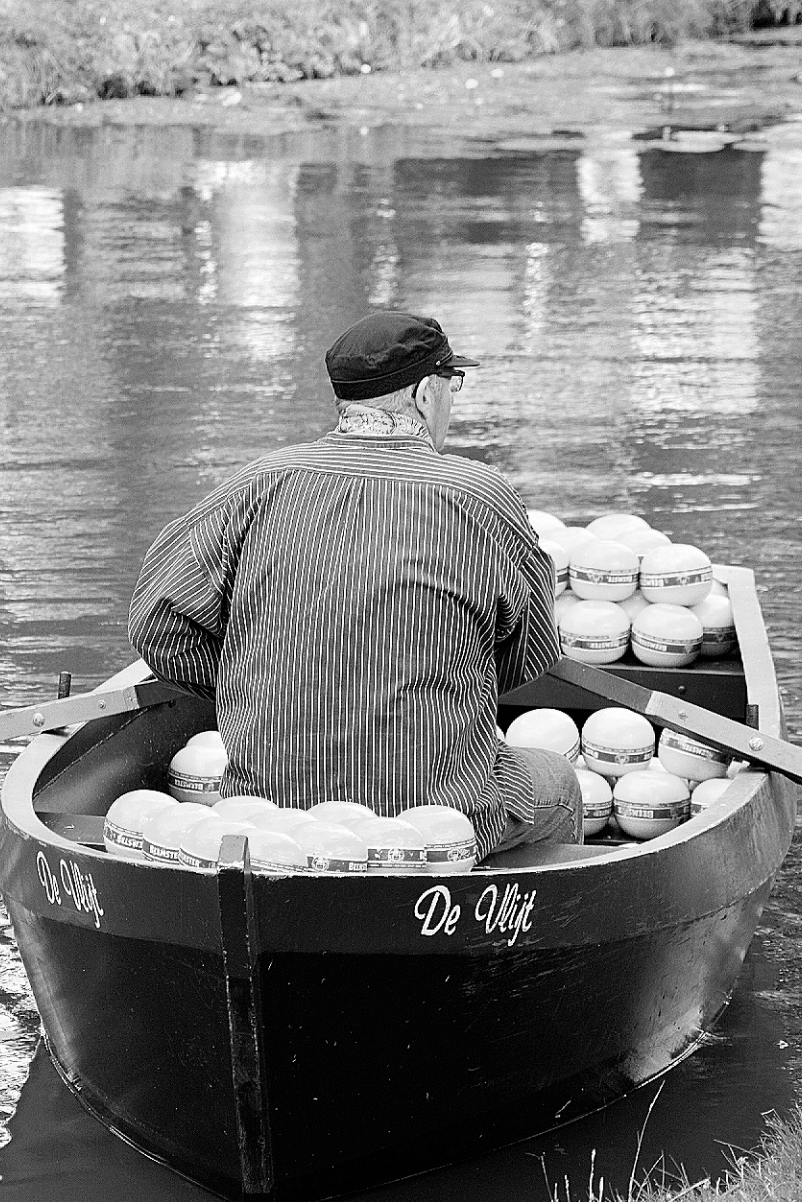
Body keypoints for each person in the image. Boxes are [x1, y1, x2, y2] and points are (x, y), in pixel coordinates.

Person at [126, 311, 579, 860]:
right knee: (560, 781)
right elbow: (529, 653)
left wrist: (243, 686)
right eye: (452, 383)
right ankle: (522, 936)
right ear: (424, 394)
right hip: (433, 817)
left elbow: (155, 623)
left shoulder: (259, 482)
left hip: (268, 813)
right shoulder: (480, 496)